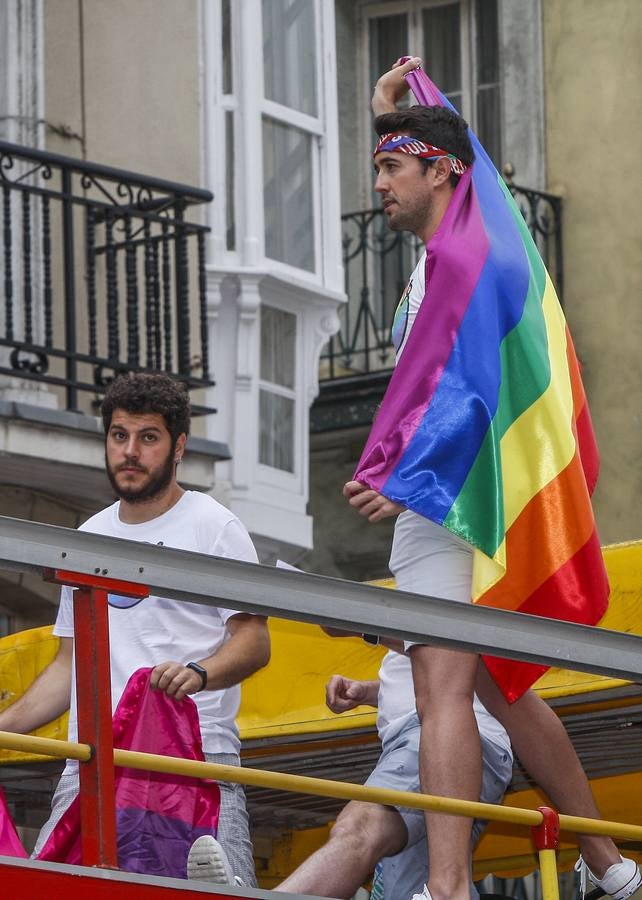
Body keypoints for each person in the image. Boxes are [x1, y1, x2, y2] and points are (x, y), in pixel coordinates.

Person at [343, 58, 641, 900]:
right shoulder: (464, 250)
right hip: (468, 498)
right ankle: (611, 866)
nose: (379, 185)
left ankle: (447, 888)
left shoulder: (464, 261)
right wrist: (389, 109)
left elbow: (467, 387)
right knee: (496, 683)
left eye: (391, 166)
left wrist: (403, 473)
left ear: (441, 172)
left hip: (452, 502)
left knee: (442, 686)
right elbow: (459, 378)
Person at [0, 372, 270, 886]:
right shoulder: (88, 537)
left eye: (148, 438)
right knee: (42, 889)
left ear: (178, 447)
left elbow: (254, 641)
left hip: (195, 758)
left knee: (216, 892)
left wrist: (198, 673)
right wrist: (3, 727)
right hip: (93, 762)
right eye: (119, 435)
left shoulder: (214, 526)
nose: (130, 451)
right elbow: (70, 666)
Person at [274, 640, 513, 899]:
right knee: (419, 887)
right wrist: (370, 692)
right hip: (450, 742)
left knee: (360, 828)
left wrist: (374, 631)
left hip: (439, 739)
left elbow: (447, 657)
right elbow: (441, 669)